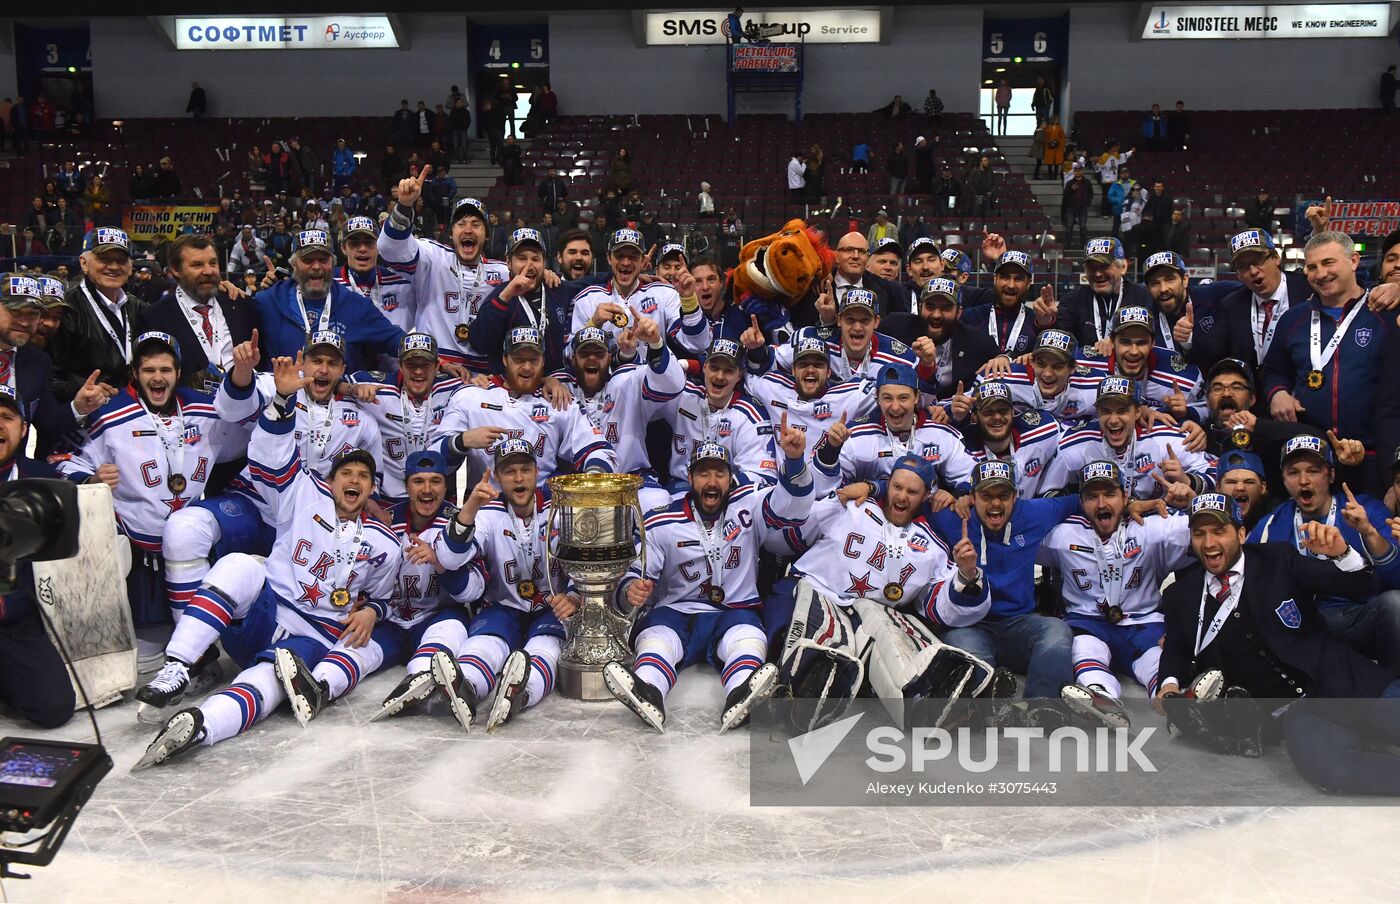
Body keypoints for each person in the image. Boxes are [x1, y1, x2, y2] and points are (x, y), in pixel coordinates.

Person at [133, 354, 403, 769]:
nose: (354, 480)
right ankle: (179, 665)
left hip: (312, 637)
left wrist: (372, 611)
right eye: (346, 474)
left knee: (273, 675)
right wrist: (281, 401)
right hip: (265, 614)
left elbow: (384, 597)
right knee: (239, 565)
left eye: (363, 477)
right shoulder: (302, 494)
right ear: (330, 480)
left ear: (371, 488)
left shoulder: (386, 543)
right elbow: (269, 457)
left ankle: (203, 725)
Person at [1158, 492, 1400, 793]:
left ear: (1241, 534)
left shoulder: (1278, 559)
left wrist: (1341, 554)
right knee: (1335, 770)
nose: (1209, 543)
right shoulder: (1180, 594)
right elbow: (1177, 647)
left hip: (1346, 681)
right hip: (1291, 713)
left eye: (1219, 531)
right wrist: (1168, 684)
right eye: (1199, 534)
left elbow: (1362, 586)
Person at [605, 423, 814, 733]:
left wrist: (794, 461)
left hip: (733, 610)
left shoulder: (749, 506)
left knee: (747, 637)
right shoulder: (662, 519)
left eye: (719, 474)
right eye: (703, 474)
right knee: (658, 636)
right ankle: (648, 688)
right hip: (679, 611)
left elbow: (793, 508)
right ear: (689, 478)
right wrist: (630, 590)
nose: (712, 481)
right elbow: (637, 571)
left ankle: (742, 691)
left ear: (731, 478)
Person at [57, 331, 246, 660]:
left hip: (192, 548)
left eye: (165, 370)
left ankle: (200, 660)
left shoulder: (205, 409)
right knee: (144, 655)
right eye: (149, 370)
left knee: (197, 639)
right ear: (135, 373)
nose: (157, 378)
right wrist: (90, 478)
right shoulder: (110, 414)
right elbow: (60, 458)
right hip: (138, 552)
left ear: (178, 372)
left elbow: (250, 433)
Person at [1041, 459, 1194, 727]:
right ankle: (1100, 699)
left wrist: (1191, 504)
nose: (1101, 504)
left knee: (1158, 661)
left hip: (1144, 623)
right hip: (1087, 623)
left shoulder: (1151, 527)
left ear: (1125, 497)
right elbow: (1014, 536)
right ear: (1081, 502)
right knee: (1083, 648)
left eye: (1110, 494)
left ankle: (1175, 702)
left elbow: (1212, 530)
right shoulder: (1062, 534)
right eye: (1092, 496)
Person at [1248, 435, 1400, 670]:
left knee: (1395, 602)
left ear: (1330, 475)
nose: (1304, 481)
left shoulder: (1365, 509)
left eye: (1313, 471)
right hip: (1298, 624)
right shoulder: (1270, 524)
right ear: (1284, 479)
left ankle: (1394, 683)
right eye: (1293, 472)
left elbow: (1396, 577)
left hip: (1356, 616)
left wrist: (1369, 532)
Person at [1263, 232, 1394, 468]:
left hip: (1374, 453)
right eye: (1312, 267)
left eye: (1328, 263)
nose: (1321, 274)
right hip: (1311, 456)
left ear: (1353, 261)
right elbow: (1274, 371)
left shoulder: (1385, 313)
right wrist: (1278, 393)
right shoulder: (1292, 320)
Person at [0, 384, 77, 727]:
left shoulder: (44, 481)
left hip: (17, 617)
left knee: (54, 707)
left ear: (24, 429)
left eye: (7, 417)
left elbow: (57, 561)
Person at [380, 171, 510, 374]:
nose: (468, 230)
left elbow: (532, 279)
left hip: (483, 378)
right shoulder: (433, 257)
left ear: (487, 235)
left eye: (476, 224)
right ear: (451, 233)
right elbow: (389, 249)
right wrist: (404, 206)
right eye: (461, 224)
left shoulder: (503, 273)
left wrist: (544, 275)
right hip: (435, 371)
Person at [253, 229, 403, 371]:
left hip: (339, 389)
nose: (316, 266)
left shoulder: (357, 306)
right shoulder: (268, 302)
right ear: (294, 264)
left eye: (323, 260)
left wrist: (418, 354)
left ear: (332, 263)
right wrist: (237, 297)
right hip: (282, 390)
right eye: (308, 260)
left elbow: (397, 341)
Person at [1042, 376, 1212, 500]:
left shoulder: (1169, 438)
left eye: (1122, 410)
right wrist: (1084, 504)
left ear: (1138, 412)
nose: (1113, 420)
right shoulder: (1075, 444)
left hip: (1158, 520)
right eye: (1106, 411)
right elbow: (1049, 494)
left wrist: (1189, 481)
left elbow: (1214, 474)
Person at [135, 234, 257, 392]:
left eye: (213, 263)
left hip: (243, 401)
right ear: (176, 269)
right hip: (187, 405)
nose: (208, 271)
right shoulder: (154, 318)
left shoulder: (240, 304)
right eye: (197, 265)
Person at [570, 228, 709, 358]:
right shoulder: (587, 299)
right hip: (604, 376)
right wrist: (592, 325)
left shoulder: (665, 294)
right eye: (619, 255)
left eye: (633, 256)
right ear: (609, 258)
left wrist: (689, 300)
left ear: (643, 261)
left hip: (652, 376)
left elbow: (697, 345)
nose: (626, 262)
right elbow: (568, 357)